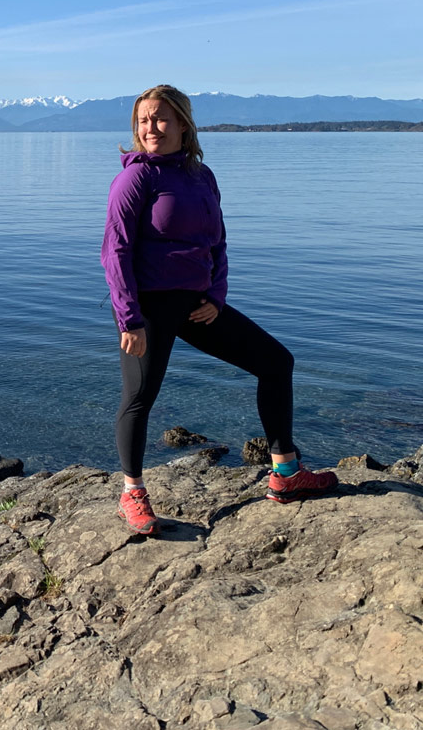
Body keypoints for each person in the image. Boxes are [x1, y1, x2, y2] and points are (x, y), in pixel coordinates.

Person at [100, 84, 337, 535]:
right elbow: (116, 252)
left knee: (275, 362)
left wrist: (216, 296)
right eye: (143, 120)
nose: (151, 128)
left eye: (161, 118)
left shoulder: (200, 176)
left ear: (184, 124)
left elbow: (218, 243)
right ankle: (131, 494)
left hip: (196, 304)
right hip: (146, 307)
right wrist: (129, 318)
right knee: (139, 397)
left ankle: (286, 474)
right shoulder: (136, 178)